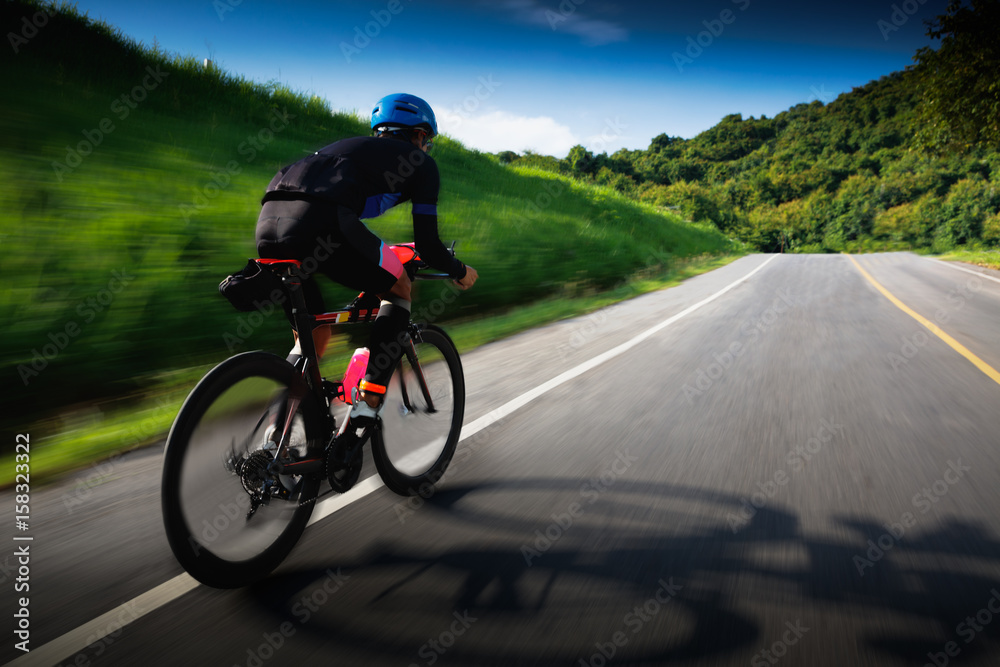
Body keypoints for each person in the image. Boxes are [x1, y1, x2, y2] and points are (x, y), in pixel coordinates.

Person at [255, 93, 478, 422]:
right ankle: (367, 406)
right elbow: (429, 245)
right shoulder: (420, 163)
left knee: (312, 337)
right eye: (426, 140)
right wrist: (458, 270)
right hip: (322, 221)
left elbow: (351, 232)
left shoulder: (349, 151)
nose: (426, 148)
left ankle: (277, 434)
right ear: (418, 134)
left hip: (268, 226)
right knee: (399, 287)